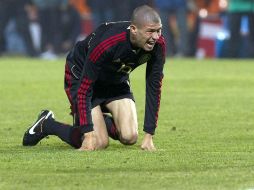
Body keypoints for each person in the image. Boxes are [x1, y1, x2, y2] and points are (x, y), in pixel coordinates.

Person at [22, 5, 166, 151]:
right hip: (82, 75)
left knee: (130, 137)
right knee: (98, 143)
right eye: (150, 31)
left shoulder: (158, 44)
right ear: (134, 29)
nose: (156, 37)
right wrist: (89, 135)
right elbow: (84, 88)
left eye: (159, 30)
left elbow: (154, 87)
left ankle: (98, 120)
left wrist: (149, 136)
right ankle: (47, 124)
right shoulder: (107, 43)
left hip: (115, 80)